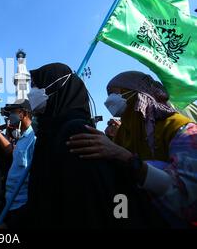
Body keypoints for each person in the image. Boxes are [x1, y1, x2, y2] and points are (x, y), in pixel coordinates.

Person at [16, 63, 164, 229]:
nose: (32, 92)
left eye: (36, 86)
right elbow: (46, 197)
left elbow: (86, 207)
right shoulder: (49, 132)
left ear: (57, 86)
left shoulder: (76, 132)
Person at [68, 71, 197, 227]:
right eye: (108, 95)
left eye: (115, 94)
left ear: (138, 94)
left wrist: (127, 159)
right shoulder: (123, 134)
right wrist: (119, 219)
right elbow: (119, 191)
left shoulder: (180, 129)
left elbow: (187, 194)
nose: (109, 100)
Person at [0, 99, 36, 228]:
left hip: (23, 205)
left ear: (23, 114)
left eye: (13, 112)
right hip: (11, 202)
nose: (10, 117)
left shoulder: (34, 138)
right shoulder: (22, 139)